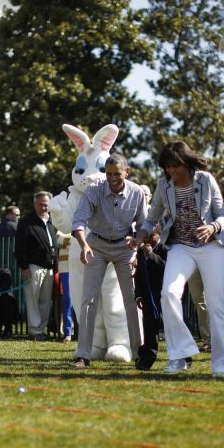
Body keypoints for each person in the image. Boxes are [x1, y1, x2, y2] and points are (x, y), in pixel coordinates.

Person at [137, 141, 224, 376]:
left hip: (211, 246)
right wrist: (138, 236)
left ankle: (222, 363)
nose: (172, 171)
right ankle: (179, 356)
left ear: (186, 162)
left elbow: (221, 215)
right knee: (168, 293)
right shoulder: (164, 185)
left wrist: (212, 227)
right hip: (181, 246)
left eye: (175, 166)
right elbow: (151, 218)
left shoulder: (205, 180)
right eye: (167, 167)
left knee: (215, 301)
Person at [71, 154, 145, 368]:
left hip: (125, 247)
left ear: (127, 172)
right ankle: (83, 354)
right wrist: (84, 244)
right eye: (108, 173)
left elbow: (144, 224)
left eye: (117, 174)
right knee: (89, 300)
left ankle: (138, 352)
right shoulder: (94, 190)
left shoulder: (137, 192)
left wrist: (138, 243)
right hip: (97, 246)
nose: (112, 178)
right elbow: (79, 221)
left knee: (131, 300)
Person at [15, 191, 57, 341]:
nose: (44, 207)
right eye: (41, 204)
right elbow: (20, 246)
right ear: (34, 204)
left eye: (46, 204)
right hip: (33, 267)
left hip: (50, 267)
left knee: (46, 301)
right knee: (32, 299)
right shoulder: (26, 222)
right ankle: (34, 330)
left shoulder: (53, 221)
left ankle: (41, 330)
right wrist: (24, 267)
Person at [134, 231, 168, 370]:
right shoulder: (141, 252)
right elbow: (139, 275)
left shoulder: (164, 249)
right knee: (149, 330)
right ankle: (146, 359)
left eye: (151, 235)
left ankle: (183, 357)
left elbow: (166, 268)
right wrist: (139, 295)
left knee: (172, 327)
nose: (148, 239)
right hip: (149, 297)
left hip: (163, 296)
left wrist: (152, 255)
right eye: (146, 236)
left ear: (159, 235)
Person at [56, 232, 74, 343]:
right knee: (68, 299)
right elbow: (59, 239)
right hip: (65, 268)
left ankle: (80, 332)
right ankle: (67, 333)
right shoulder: (61, 226)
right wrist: (76, 240)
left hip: (80, 265)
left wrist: (68, 242)